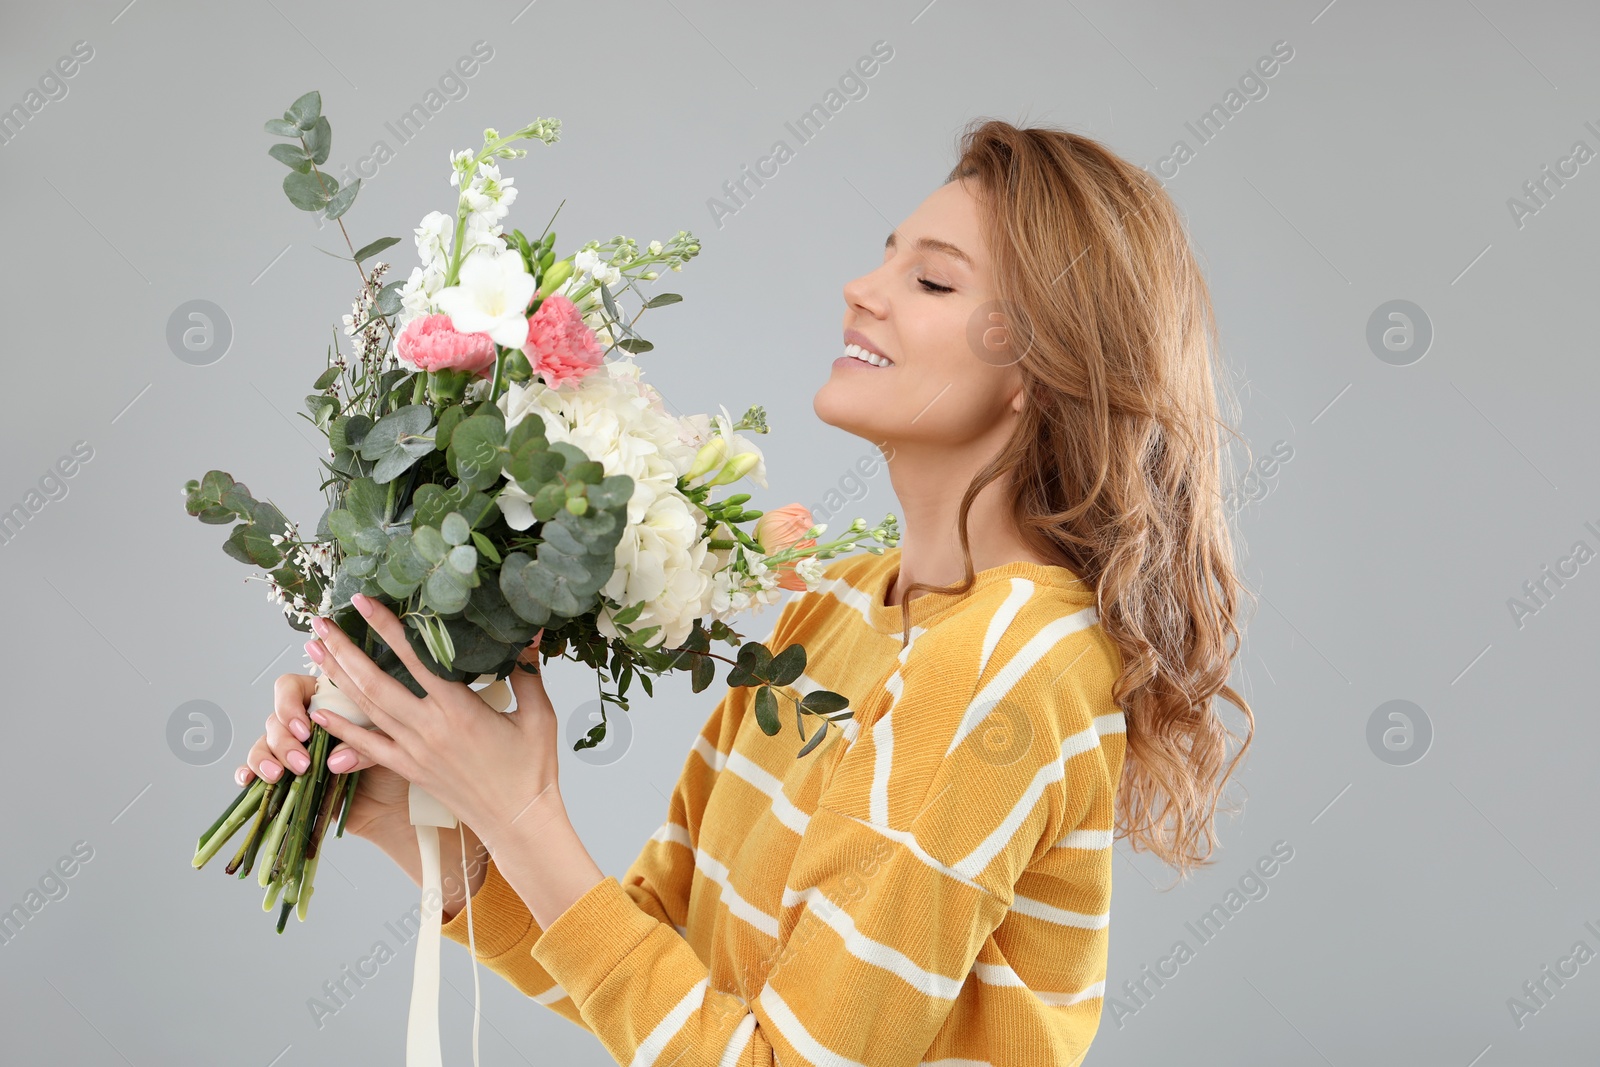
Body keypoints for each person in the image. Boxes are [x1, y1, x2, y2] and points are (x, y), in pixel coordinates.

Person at [238, 117, 1256, 1065]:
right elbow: (661, 968)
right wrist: (410, 803)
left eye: (933, 283)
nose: (863, 287)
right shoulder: (846, 603)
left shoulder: (1005, 665)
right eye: (887, 253)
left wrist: (521, 809)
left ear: (1042, 365)